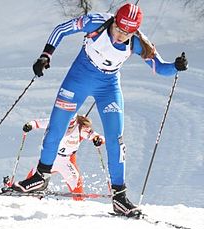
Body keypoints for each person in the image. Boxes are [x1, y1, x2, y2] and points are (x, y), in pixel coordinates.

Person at [12, 2, 188, 217]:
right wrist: (45, 55)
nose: (122, 35)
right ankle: (41, 177)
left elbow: (161, 68)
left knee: (116, 139)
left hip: (108, 87)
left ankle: (119, 197)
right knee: (57, 128)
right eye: (120, 29)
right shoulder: (95, 22)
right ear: (114, 21)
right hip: (78, 79)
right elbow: (61, 29)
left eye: (128, 32)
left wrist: (176, 66)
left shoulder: (139, 42)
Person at [19, 114, 105, 200]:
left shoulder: (81, 128)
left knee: (77, 187)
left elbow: (98, 137)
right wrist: (29, 125)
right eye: (67, 126)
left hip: (67, 162)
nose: (68, 129)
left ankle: (79, 205)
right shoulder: (55, 122)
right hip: (51, 158)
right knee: (32, 179)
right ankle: (26, 195)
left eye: (71, 126)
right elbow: (36, 123)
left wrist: (98, 140)